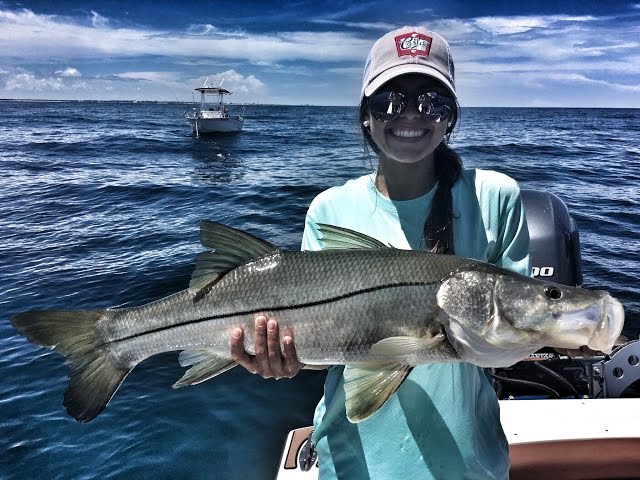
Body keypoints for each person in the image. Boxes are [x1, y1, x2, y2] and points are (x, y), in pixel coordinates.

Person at [231, 26, 530, 479]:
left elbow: (511, 340)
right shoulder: (330, 209)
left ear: (451, 116)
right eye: (388, 101)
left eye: (431, 101)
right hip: (356, 463)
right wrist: (283, 361)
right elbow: (322, 347)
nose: (410, 114)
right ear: (365, 116)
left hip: (468, 463)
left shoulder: (496, 197)